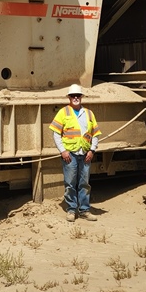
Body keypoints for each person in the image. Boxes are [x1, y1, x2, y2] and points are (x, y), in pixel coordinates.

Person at [50, 84, 101, 222]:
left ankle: (84, 210)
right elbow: (56, 134)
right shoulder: (63, 112)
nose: (76, 98)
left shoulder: (89, 113)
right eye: (73, 96)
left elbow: (95, 134)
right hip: (70, 155)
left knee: (84, 183)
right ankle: (71, 210)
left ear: (81, 97)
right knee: (70, 183)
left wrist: (92, 150)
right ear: (69, 98)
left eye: (78, 95)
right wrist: (63, 151)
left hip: (85, 154)